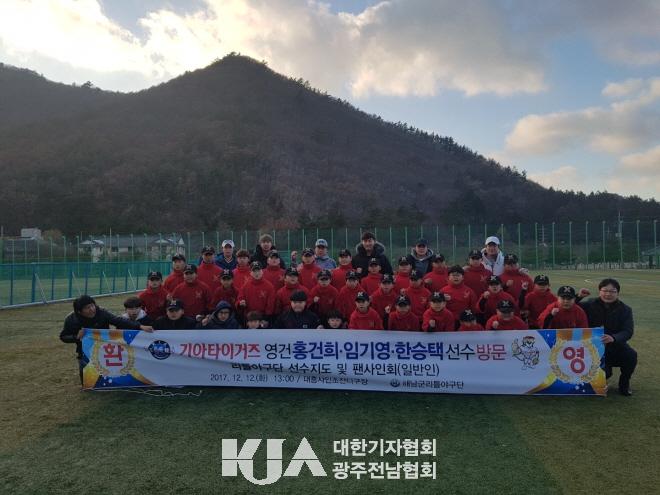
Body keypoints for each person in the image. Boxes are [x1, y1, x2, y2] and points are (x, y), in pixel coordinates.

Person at [61, 295, 152, 383]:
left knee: (107, 371)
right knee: (87, 376)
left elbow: (118, 320)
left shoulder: (101, 312)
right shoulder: (71, 319)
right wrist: (76, 337)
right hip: (84, 350)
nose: (92, 309)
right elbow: (63, 337)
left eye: (92, 305)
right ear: (79, 311)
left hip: (104, 348)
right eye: (87, 308)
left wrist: (139, 326)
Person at [578, 278, 637, 396]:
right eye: (605, 290)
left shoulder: (625, 309)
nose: (608, 294)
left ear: (617, 293)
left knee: (631, 355)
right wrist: (578, 297)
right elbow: (569, 306)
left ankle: (624, 384)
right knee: (605, 373)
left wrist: (613, 338)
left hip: (615, 346)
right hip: (593, 349)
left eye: (612, 291)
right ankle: (600, 379)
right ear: (599, 291)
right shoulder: (589, 304)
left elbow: (628, 331)